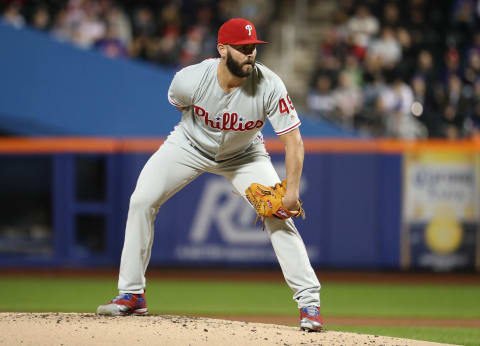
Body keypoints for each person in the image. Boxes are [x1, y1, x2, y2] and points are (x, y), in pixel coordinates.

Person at [96, 18, 323, 332]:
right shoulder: (189, 80)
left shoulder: (269, 85)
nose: (250, 54)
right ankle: (132, 294)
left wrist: (292, 191)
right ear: (222, 49)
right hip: (189, 144)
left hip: (245, 155)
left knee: (279, 217)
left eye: (253, 48)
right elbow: (179, 105)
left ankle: (309, 303)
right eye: (242, 48)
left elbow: (294, 141)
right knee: (142, 200)